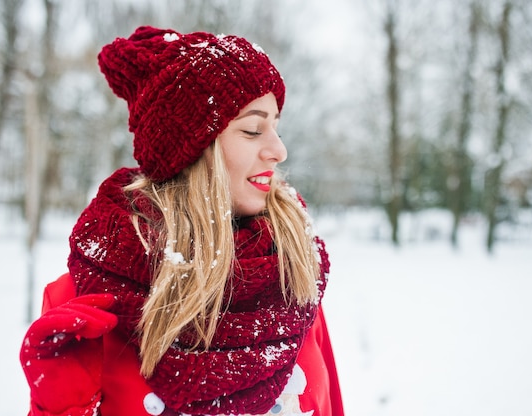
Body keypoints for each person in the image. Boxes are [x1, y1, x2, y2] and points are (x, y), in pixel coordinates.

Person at [19, 26, 344, 416]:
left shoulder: (291, 274)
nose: (279, 150)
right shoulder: (85, 305)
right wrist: (61, 408)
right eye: (253, 129)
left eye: (276, 127)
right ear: (188, 150)